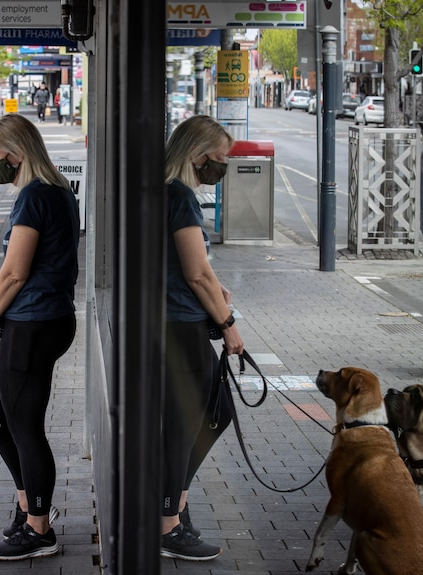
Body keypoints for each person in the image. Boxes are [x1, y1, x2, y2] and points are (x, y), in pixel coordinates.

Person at [0, 113, 80, 561]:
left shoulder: (34, 196)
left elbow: (17, 272)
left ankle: (38, 529)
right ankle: (26, 501)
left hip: (33, 325)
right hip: (46, 320)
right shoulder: (58, 192)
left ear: (17, 153)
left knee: (24, 427)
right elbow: (17, 265)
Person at [161, 115, 244, 561]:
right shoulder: (180, 197)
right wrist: (229, 325)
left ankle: (175, 501)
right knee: (190, 422)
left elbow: (196, 266)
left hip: (170, 321)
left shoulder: (163, 193)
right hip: (180, 325)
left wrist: (216, 287)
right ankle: (167, 522)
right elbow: (195, 273)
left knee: (210, 413)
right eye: (219, 158)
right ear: (197, 154)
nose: (221, 166)